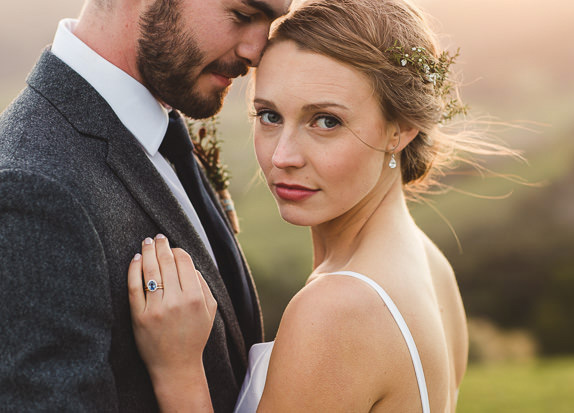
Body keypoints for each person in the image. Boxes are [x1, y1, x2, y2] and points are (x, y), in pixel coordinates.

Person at [126, 0, 505, 410]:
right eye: (269, 116)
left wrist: (178, 373)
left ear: (401, 129)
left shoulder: (336, 310)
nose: (282, 156)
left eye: (326, 121)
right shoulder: (431, 266)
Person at [0, 0, 290, 411]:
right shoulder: (32, 190)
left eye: (272, 22)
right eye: (242, 15)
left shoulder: (160, 125)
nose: (256, 52)